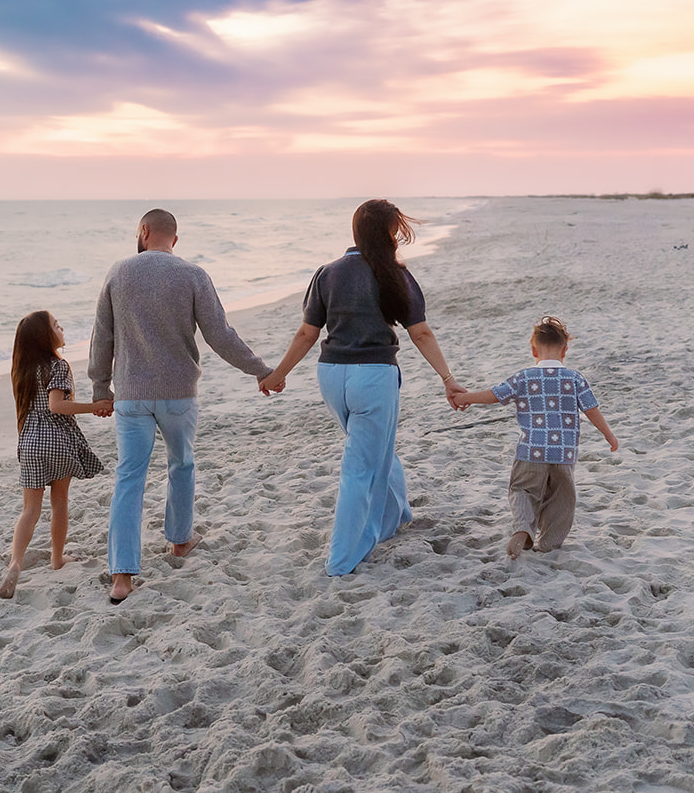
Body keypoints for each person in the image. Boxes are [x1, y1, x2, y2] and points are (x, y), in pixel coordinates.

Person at [261, 199, 465, 576]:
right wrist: (448, 379)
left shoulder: (327, 273)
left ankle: (394, 516)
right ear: (390, 234)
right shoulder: (395, 274)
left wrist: (279, 373)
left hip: (332, 376)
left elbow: (308, 333)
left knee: (374, 451)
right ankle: (343, 559)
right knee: (360, 465)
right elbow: (419, 331)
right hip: (373, 377)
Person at [90, 209, 274, 603]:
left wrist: (100, 388)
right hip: (178, 393)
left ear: (143, 231)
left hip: (131, 395)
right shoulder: (193, 275)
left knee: (129, 478)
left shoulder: (118, 273)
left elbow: (101, 336)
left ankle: (122, 576)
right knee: (182, 464)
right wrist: (259, 370)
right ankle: (179, 541)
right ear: (174, 239)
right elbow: (220, 336)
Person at [450, 315, 619, 557]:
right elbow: (592, 409)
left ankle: (522, 529)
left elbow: (495, 395)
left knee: (522, 491)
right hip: (563, 453)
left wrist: (465, 398)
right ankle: (549, 544)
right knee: (562, 501)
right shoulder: (574, 378)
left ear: (533, 350)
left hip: (531, 450)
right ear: (565, 350)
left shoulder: (524, 377)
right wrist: (609, 436)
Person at [0, 311, 111, 599]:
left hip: (30, 443)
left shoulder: (21, 370)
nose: (62, 328)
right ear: (44, 337)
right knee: (59, 502)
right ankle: (57, 559)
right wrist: (95, 405)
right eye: (56, 326)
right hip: (57, 441)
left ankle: (15, 563)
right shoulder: (58, 366)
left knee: (30, 510)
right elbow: (56, 406)